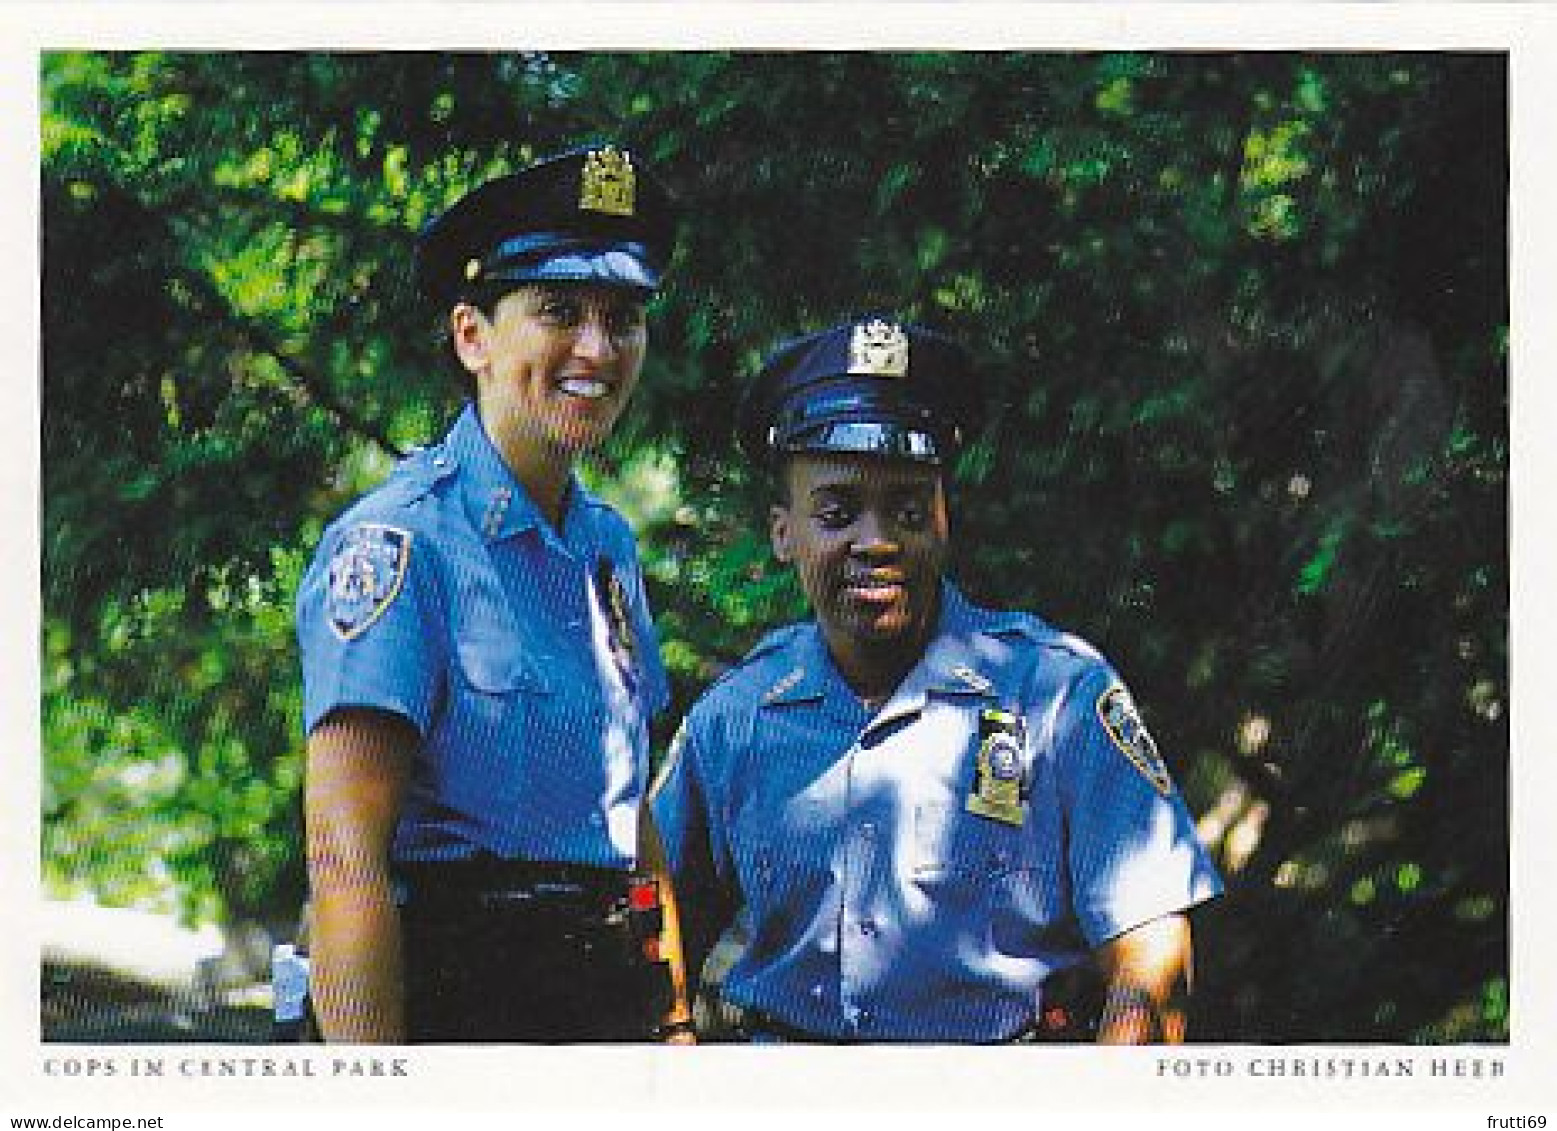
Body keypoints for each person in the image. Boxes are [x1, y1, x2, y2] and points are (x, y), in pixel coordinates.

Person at [651, 317, 1224, 1043]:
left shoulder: (1054, 696)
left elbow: (1152, 946)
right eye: (836, 512)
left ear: (943, 520)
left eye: (907, 509)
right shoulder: (733, 720)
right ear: (782, 530)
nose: (876, 541)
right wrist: (668, 1048)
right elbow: (653, 915)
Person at [296, 144, 693, 1043]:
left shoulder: (607, 548)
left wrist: (672, 1022)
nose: (596, 347)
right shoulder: (401, 545)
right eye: (558, 311)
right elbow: (345, 856)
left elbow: (630, 818)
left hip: (602, 1005)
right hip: (458, 1002)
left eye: (623, 316)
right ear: (472, 334)